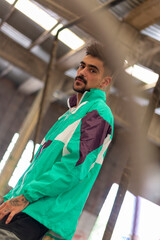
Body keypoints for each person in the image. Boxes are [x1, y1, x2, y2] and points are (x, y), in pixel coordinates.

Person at [0, 42, 114, 240]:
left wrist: (26, 196)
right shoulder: (70, 114)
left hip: (42, 217)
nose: (82, 72)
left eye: (92, 70)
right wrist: (12, 197)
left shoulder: (99, 113)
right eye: (82, 66)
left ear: (105, 82)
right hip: (25, 206)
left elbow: (73, 168)